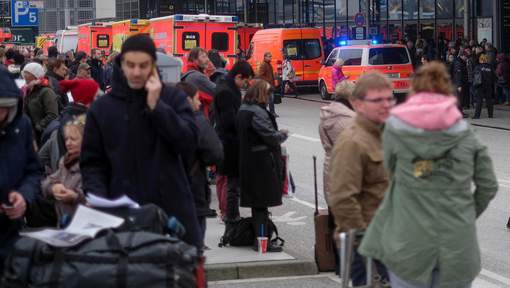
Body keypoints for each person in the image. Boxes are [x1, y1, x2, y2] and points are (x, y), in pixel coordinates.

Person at [359, 62, 498, 288]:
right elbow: (489, 186)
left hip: (408, 243)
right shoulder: (468, 136)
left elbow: (388, 174)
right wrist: (466, 213)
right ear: (448, 92)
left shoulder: (394, 130)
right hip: (457, 245)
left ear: (414, 91)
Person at [80, 34, 202, 248]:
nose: (136, 72)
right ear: (121, 64)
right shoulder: (103, 107)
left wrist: (158, 108)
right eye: (131, 65)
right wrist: (98, 199)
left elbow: (189, 143)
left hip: (172, 214)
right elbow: (92, 163)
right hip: (120, 217)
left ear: (153, 65)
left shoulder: (172, 98)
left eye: (143, 65)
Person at [328, 71, 394, 286]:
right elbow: (343, 198)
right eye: (377, 100)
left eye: (389, 98)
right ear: (357, 104)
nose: (385, 104)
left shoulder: (385, 135)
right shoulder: (353, 142)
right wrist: (362, 240)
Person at [0, 67, 42, 277]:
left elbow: (33, 171)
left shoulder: (21, 126)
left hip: (10, 233)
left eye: (3, 108)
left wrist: (24, 196)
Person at [237, 80, 288, 252]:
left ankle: (260, 240)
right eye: (268, 93)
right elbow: (270, 136)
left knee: (257, 205)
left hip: (248, 161)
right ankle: (261, 242)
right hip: (261, 163)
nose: (270, 97)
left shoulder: (243, 109)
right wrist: (282, 135)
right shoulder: (257, 112)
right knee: (261, 205)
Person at [176, 81, 223, 244]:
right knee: (193, 247)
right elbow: (215, 154)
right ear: (187, 100)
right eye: (196, 99)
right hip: (193, 189)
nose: (199, 103)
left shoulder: (162, 118)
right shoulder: (198, 121)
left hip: (167, 194)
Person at [213, 61, 254, 231]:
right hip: (230, 144)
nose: (246, 85)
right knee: (232, 185)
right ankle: (231, 217)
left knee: (231, 183)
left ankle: (231, 215)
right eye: (245, 81)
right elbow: (229, 121)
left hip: (228, 142)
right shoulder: (227, 92)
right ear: (238, 77)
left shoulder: (226, 87)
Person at [41, 115, 87, 225]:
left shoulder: (91, 164)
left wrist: (76, 197)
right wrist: (53, 188)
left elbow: (97, 194)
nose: (68, 143)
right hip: (64, 223)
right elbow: (47, 182)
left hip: (84, 224)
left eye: (73, 139)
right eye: (66, 139)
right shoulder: (65, 162)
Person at [22, 62, 59, 144]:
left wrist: (37, 128)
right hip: (29, 135)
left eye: (27, 73)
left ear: (35, 75)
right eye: (24, 72)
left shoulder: (46, 92)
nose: (24, 75)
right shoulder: (27, 90)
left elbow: (53, 115)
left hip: (41, 137)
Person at [182, 47, 216, 117]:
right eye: (203, 56)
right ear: (195, 60)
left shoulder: (190, 73)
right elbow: (218, 90)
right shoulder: (197, 76)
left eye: (207, 56)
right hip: (200, 115)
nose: (208, 59)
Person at [472, 54, 496, 119]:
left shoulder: (478, 67)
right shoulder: (490, 67)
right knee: (489, 100)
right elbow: (494, 77)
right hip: (488, 86)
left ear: (481, 60)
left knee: (479, 101)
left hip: (480, 86)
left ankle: (477, 116)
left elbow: (473, 75)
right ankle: (490, 115)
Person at [256, 52, 277, 117]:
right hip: (266, 85)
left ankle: (271, 112)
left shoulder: (269, 64)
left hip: (270, 85)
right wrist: (268, 81)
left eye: (271, 56)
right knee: (269, 99)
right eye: (269, 56)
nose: (270, 58)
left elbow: (270, 75)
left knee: (270, 99)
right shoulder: (263, 65)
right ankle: (270, 112)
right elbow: (260, 75)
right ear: (265, 57)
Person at [453, 49, 469, 116]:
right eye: (466, 56)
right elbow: (458, 74)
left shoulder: (461, 61)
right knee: (459, 98)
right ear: (462, 56)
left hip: (461, 82)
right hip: (459, 83)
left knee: (460, 98)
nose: (466, 58)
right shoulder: (458, 63)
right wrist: (459, 85)